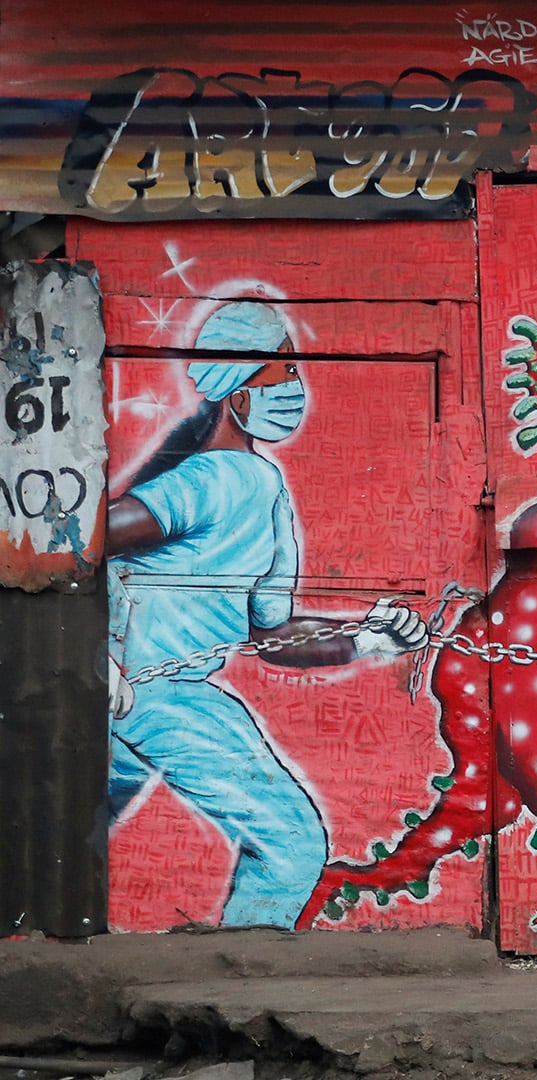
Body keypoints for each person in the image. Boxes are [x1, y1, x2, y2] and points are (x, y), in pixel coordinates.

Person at [105, 301, 427, 928]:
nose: (293, 386)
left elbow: (272, 637)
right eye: (280, 369)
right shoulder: (225, 477)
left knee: (52, 832)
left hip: (140, 694)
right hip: (155, 695)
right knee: (291, 843)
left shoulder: (262, 486)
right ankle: (241, 977)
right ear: (237, 391)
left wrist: (366, 638)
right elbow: (81, 537)